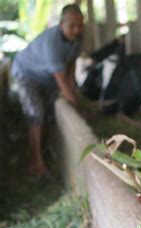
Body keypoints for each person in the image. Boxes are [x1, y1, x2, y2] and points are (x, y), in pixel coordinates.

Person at [11, 4, 84, 177]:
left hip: (46, 77)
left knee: (50, 111)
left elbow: (71, 65)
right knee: (36, 114)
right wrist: (77, 105)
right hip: (26, 73)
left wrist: (73, 91)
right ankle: (36, 162)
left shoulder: (79, 37)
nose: (77, 30)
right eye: (72, 26)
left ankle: (46, 148)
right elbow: (62, 82)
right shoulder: (52, 43)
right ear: (61, 24)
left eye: (80, 25)